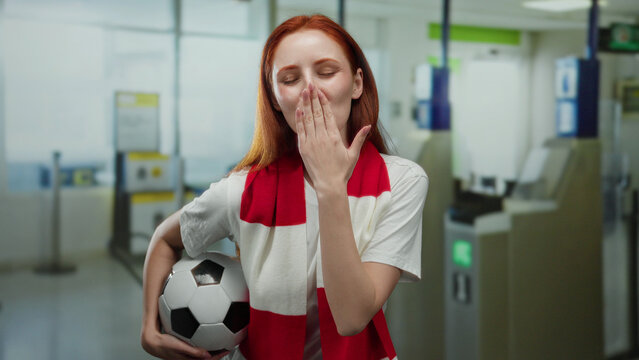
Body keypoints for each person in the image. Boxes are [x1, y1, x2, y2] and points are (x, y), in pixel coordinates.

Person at [141, 14, 428, 360]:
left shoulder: (401, 181)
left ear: (356, 84)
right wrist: (149, 327)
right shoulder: (242, 190)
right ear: (276, 99)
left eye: (326, 72)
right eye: (290, 79)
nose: (310, 90)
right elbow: (165, 239)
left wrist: (330, 186)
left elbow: (351, 317)